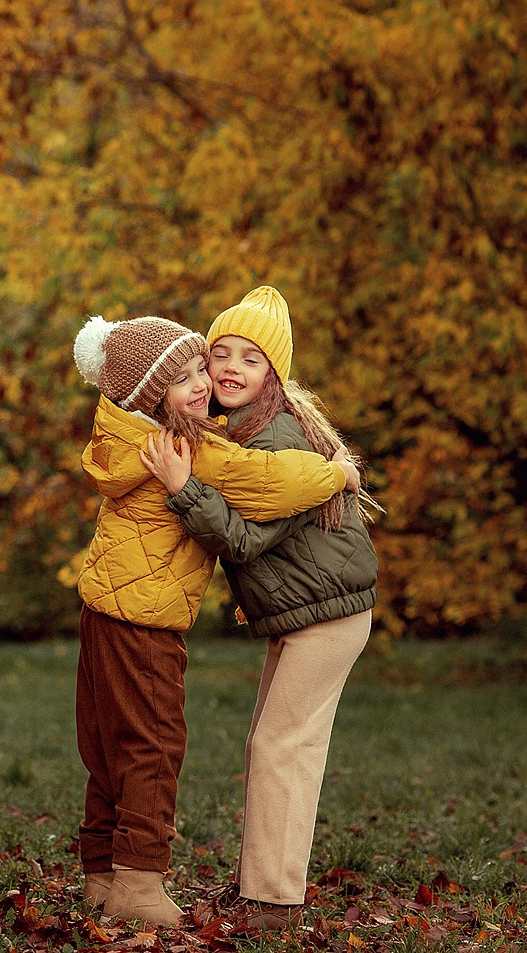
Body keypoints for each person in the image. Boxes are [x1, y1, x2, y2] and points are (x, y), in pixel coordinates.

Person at [69, 314, 359, 926]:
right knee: (150, 746)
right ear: (154, 394)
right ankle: (138, 886)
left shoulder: (123, 432)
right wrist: (338, 472)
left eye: (204, 366)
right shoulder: (190, 448)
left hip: (104, 608)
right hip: (146, 617)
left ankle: (104, 874)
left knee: (108, 744)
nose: (207, 380)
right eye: (188, 374)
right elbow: (266, 483)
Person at [143, 285, 379, 934]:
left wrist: (183, 488)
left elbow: (244, 540)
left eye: (250, 359)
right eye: (220, 353)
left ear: (273, 372)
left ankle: (272, 903)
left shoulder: (276, 440)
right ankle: (263, 886)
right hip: (307, 611)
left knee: (282, 745)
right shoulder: (243, 429)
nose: (230, 368)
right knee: (275, 744)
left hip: (328, 616)